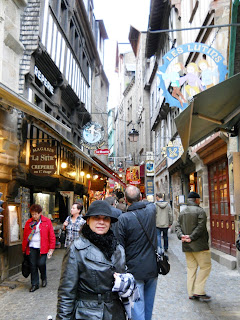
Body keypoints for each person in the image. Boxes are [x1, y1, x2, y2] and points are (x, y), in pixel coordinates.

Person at [56, 200, 126, 320]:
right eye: (96, 218)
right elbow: (66, 293)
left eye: (105, 218)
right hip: (88, 314)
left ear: (110, 222)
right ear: (88, 221)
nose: (101, 222)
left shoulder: (118, 248)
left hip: (115, 313)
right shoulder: (76, 249)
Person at [117, 185, 158, 320]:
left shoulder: (124, 219)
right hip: (152, 267)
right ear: (140, 197)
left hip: (134, 270)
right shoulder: (151, 211)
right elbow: (149, 203)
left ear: (126, 200)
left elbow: (119, 248)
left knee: (137, 309)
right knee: (148, 308)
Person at [175, 191, 212, 301]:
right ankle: (198, 291)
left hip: (187, 246)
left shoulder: (183, 212)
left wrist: (182, 236)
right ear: (196, 200)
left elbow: (177, 226)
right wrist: (191, 237)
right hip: (199, 245)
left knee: (191, 269)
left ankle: (191, 292)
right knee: (205, 267)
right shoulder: (200, 211)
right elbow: (201, 227)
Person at [22, 204, 56, 292]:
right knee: (33, 265)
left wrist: (51, 248)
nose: (34, 216)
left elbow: (51, 235)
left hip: (43, 247)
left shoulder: (47, 221)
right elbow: (25, 236)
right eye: (32, 214)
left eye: (35, 214)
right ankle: (34, 284)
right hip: (31, 247)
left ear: (40, 213)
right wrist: (24, 249)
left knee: (41, 263)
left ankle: (44, 277)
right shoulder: (28, 223)